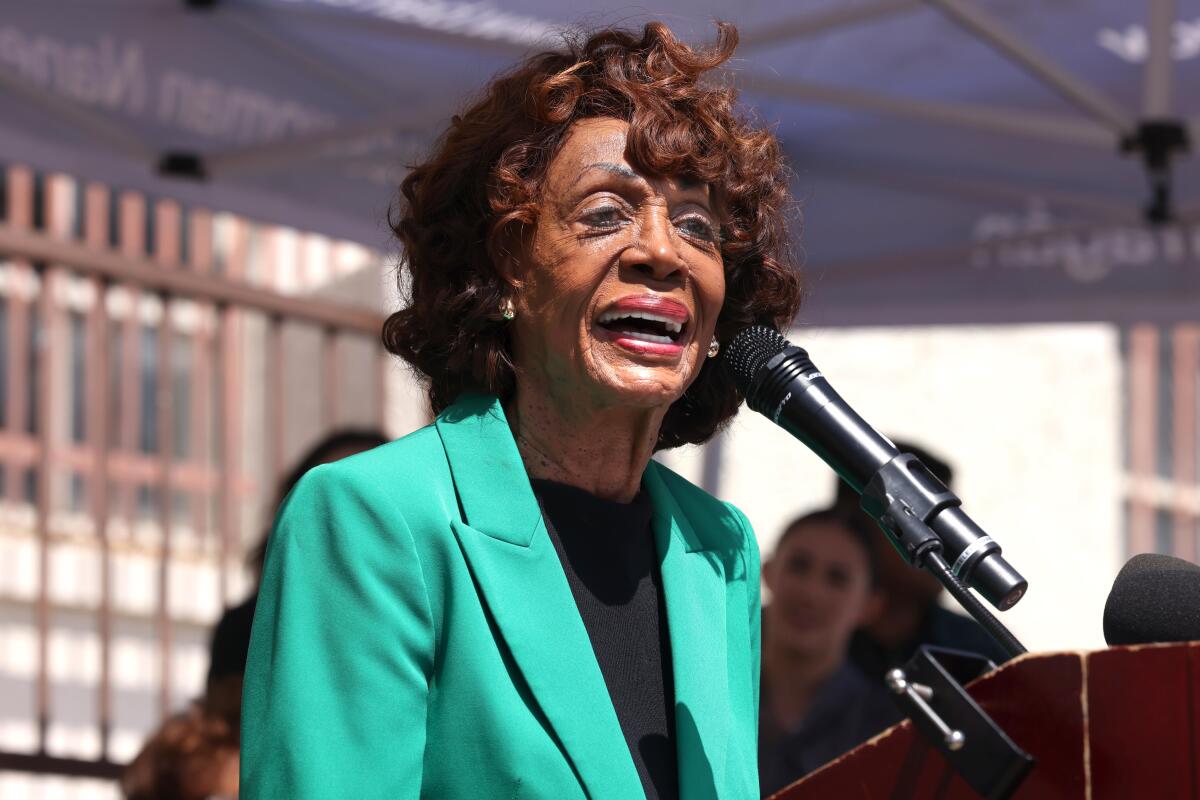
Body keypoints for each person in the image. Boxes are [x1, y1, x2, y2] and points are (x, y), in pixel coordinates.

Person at [241, 21, 801, 800]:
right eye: (606, 213)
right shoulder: (376, 519)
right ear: (506, 267)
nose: (663, 252)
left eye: (698, 227)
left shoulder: (719, 550)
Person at [758, 509, 902, 797]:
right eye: (799, 566)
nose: (811, 593)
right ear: (768, 572)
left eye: (837, 579)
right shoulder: (710, 689)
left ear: (870, 606)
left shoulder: (885, 731)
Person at [837, 441, 1011, 679]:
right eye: (925, 520)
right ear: (860, 522)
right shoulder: (791, 636)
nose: (945, 540)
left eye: (949, 522)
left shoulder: (978, 652)